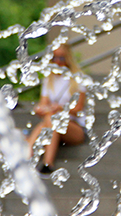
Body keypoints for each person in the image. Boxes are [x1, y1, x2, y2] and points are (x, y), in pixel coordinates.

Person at [26, 44, 86, 176]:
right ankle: (45, 163)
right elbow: (43, 104)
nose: (57, 62)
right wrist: (41, 109)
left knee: (50, 119)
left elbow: (78, 108)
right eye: (54, 58)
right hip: (54, 123)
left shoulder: (77, 78)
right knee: (50, 118)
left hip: (74, 126)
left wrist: (61, 108)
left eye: (61, 58)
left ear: (68, 59)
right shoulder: (49, 79)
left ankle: (31, 157)